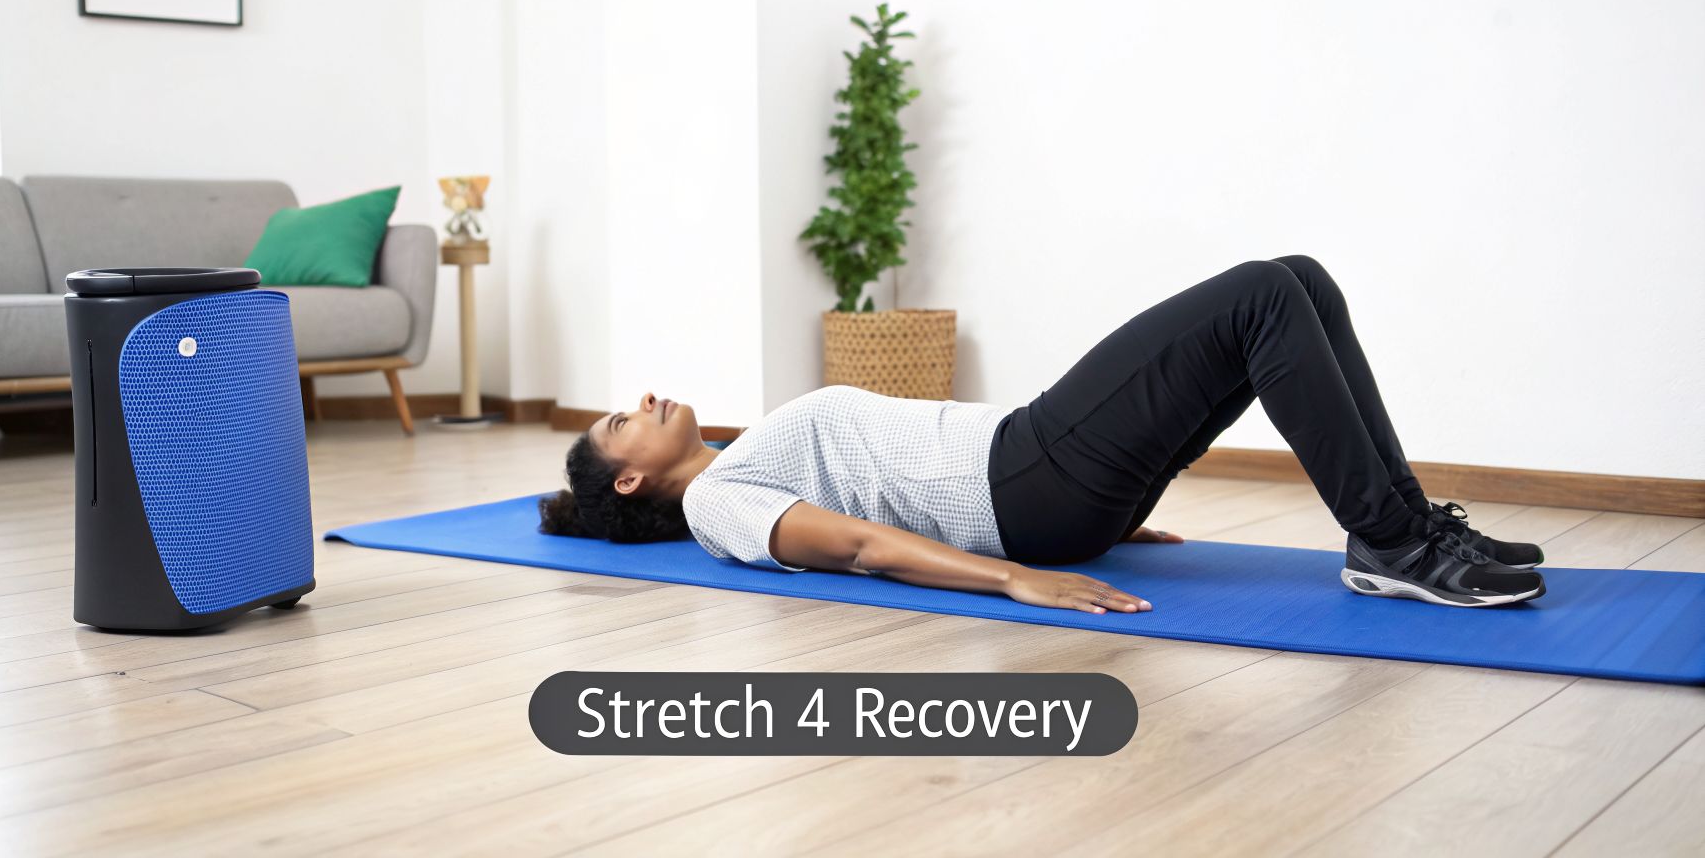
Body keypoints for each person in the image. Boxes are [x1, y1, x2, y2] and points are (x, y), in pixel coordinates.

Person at [538, 255, 1545, 612]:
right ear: (628, 482)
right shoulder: (718, 504)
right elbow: (853, 547)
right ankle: (1394, 544)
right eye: (623, 420)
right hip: (1026, 480)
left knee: (1295, 282)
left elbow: (873, 498)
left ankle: (1408, 528)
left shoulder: (736, 459)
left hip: (1038, 479)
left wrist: (1088, 523)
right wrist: (1014, 571)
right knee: (1257, 298)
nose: (646, 398)